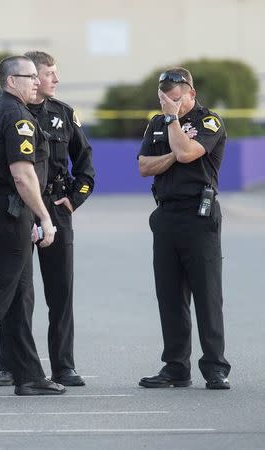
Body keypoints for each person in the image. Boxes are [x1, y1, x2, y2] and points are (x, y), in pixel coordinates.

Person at [0, 51, 95, 388]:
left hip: (55, 207)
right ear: (29, 76)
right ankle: (10, 366)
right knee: (16, 291)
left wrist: (74, 200)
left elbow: (86, 162)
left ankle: (64, 365)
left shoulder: (63, 114)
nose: (52, 80)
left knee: (60, 290)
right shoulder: (8, 112)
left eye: (50, 74)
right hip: (17, 208)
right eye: (47, 73)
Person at [0, 55, 66, 396]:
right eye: (29, 77)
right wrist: (46, 217)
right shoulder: (16, 116)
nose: (36, 81)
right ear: (11, 81)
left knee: (15, 295)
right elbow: (23, 176)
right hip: (9, 214)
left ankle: (28, 375)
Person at [138, 67, 231, 390]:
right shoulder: (156, 123)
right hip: (166, 215)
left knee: (207, 294)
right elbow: (143, 166)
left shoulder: (209, 121)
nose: (170, 103)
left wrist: (174, 124)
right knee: (170, 295)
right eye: (165, 97)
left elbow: (190, 151)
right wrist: (174, 152)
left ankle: (215, 366)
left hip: (198, 215)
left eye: (176, 97)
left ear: (191, 93)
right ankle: (176, 367)